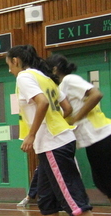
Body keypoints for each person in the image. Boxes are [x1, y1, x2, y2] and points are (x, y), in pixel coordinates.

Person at [6, 45, 111, 216]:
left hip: (53, 144)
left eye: (9, 65)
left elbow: (43, 102)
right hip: (56, 141)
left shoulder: (24, 77)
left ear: (16, 60)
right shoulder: (45, 77)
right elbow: (67, 108)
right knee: (46, 197)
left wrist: (32, 134)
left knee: (71, 197)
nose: (9, 70)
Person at [47, 53, 111, 205]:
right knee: (104, 184)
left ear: (54, 69)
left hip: (102, 136)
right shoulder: (60, 89)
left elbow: (96, 95)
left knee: (107, 183)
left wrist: (76, 118)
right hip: (93, 141)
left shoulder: (69, 80)